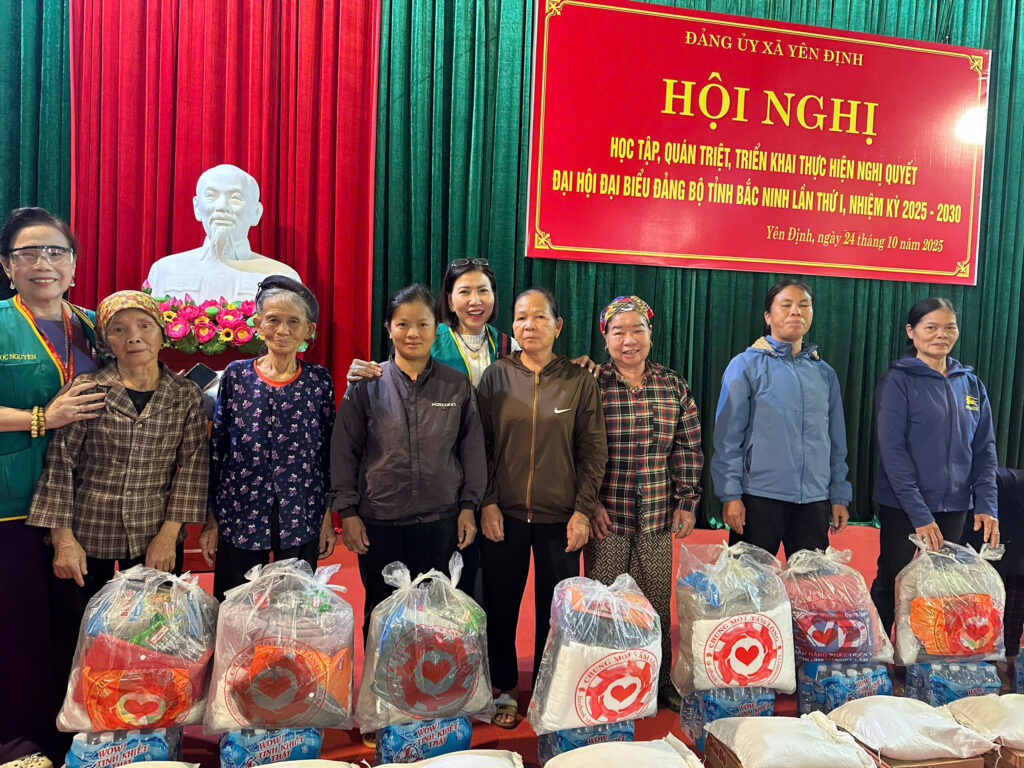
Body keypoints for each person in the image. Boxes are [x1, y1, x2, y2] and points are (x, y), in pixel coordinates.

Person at [26, 290, 208, 756]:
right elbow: (60, 465)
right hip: (87, 532)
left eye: (145, 326)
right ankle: (76, 733)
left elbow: (193, 467)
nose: (134, 337)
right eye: (119, 329)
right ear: (105, 340)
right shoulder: (87, 389)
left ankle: (150, 732)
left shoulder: (184, 395)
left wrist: (169, 535)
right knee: (77, 635)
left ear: (163, 333)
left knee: (151, 636)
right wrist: (63, 540)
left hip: (152, 536)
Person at [344, 259, 517, 604]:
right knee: (389, 606)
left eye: (483, 291)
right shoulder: (427, 342)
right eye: (464, 291)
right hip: (407, 500)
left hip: (484, 484)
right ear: (448, 301)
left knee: (465, 595)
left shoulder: (509, 345)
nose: (475, 300)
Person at [0, 207, 104, 767]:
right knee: (17, 623)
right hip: (13, 500)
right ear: (7, 266)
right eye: (28, 253)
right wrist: (42, 418)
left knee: (74, 621)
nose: (43, 263)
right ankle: (17, 740)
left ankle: (71, 733)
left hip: (84, 502)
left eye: (55, 252)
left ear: (74, 264)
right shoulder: (0, 323)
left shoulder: (93, 324)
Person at [477, 287, 608, 728]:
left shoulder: (579, 380)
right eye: (520, 317)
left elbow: (593, 451)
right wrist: (488, 502)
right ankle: (505, 687)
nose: (528, 325)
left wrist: (582, 511)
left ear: (558, 325)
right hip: (506, 514)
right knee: (501, 606)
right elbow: (481, 447)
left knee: (557, 612)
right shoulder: (496, 377)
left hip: (561, 518)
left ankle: (550, 687)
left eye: (538, 317)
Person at [331, 283, 484, 625]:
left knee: (437, 619)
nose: (413, 333)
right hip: (380, 521)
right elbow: (344, 451)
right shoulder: (367, 383)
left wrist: (469, 506)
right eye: (402, 324)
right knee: (382, 615)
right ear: (388, 328)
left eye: (422, 324)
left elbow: (471, 449)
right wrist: (348, 512)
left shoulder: (456, 385)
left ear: (436, 328)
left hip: (441, 521)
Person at [584, 295, 703, 712]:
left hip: (656, 516)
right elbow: (576, 449)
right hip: (606, 518)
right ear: (605, 338)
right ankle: (602, 679)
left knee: (654, 603)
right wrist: (588, 504)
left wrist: (687, 501)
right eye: (618, 331)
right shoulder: (591, 384)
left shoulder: (672, 385)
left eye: (638, 329)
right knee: (604, 606)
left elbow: (687, 447)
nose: (629, 340)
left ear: (651, 334)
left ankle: (658, 681)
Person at [199, 276, 336, 600]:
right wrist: (211, 519)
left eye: (293, 322)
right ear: (258, 324)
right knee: (234, 604)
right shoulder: (236, 375)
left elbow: (328, 453)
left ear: (309, 330)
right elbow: (217, 448)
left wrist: (327, 516)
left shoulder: (318, 381)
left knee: (294, 606)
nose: (283, 330)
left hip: (301, 511)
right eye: (273, 320)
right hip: (240, 510)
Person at [871, 297, 999, 634]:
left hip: (955, 505)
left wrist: (986, 503)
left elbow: (984, 450)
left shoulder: (971, 384)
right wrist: (919, 514)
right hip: (904, 506)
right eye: (931, 327)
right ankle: (878, 649)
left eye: (949, 327)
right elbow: (893, 452)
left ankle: (926, 652)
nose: (941, 334)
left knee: (942, 585)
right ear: (911, 331)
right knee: (893, 579)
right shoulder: (897, 382)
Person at [711, 278, 851, 558]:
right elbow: (728, 438)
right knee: (750, 581)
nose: (796, 312)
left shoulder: (824, 373)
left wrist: (838, 494)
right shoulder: (745, 366)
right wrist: (731, 495)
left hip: (814, 499)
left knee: (810, 582)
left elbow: (836, 441)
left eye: (804, 305)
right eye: (786, 305)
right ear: (768, 316)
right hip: (759, 497)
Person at [145, 164, 301, 301]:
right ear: (197, 208)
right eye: (211, 196)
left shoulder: (282, 276)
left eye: (236, 198)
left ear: (256, 213)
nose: (222, 206)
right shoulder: (165, 270)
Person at [963, 467, 1024, 659]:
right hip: (983, 510)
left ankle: (1008, 653)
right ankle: (986, 653)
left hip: (1006, 513)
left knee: (1017, 586)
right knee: (980, 589)